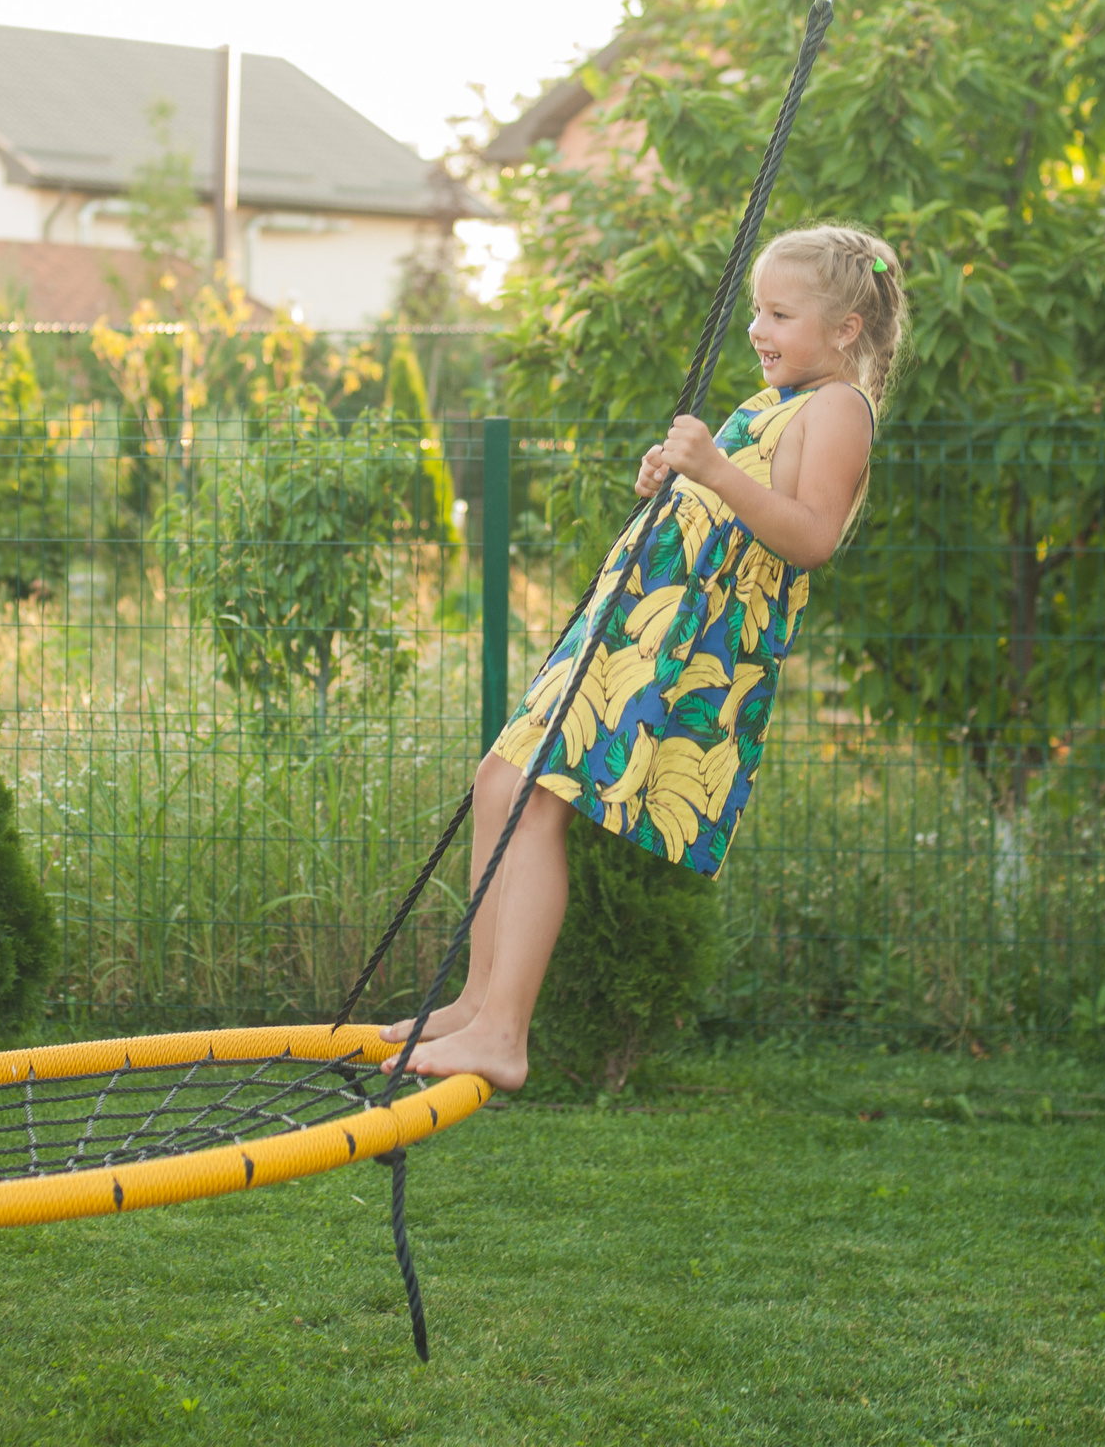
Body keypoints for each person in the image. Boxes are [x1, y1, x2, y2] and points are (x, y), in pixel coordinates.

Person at [385, 225, 906, 1091]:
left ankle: (505, 1035)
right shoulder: (777, 401)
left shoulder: (838, 409)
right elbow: (728, 498)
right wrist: (679, 478)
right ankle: (476, 1002)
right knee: (500, 783)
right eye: (756, 311)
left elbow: (811, 537)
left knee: (540, 800)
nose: (758, 329)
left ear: (847, 328)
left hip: (687, 640)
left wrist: (715, 472)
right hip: (636, 617)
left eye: (780, 314)